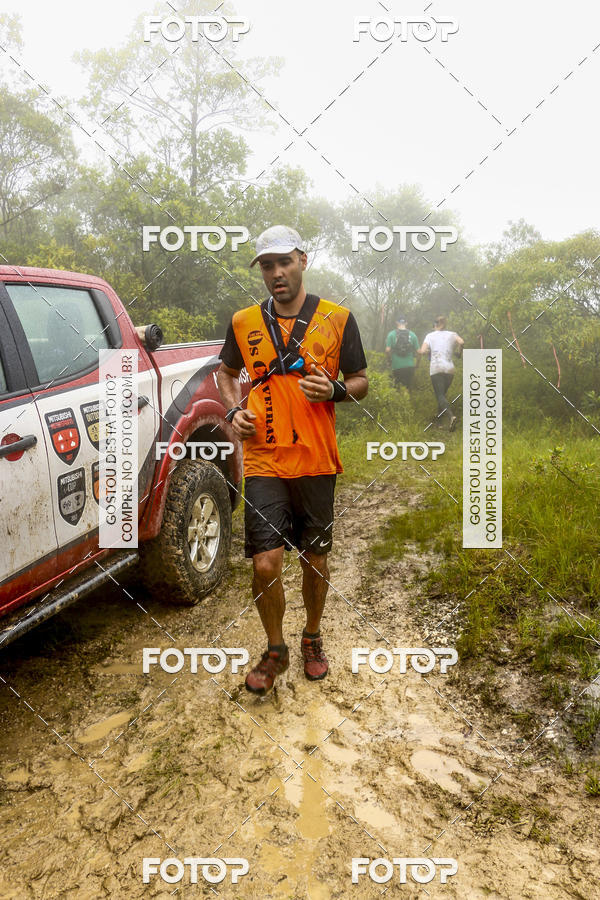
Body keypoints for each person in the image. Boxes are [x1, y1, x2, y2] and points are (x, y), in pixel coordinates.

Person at [216, 225, 368, 696]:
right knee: (265, 564)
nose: (276, 273)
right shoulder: (243, 321)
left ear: (303, 260)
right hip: (264, 459)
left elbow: (361, 380)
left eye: (284, 262)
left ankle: (312, 636)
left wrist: (336, 389)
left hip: (316, 460)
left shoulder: (338, 318)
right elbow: (226, 373)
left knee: (315, 561)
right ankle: (276, 648)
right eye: (267, 265)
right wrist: (233, 411)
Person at [418, 315, 464, 431]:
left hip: (437, 368)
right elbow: (461, 342)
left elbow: (422, 351)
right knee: (442, 395)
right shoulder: (452, 334)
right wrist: (459, 353)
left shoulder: (430, 336)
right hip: (450, 369)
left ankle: (451, 416)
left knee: (439, 395)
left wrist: (427, 351)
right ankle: (439, 422)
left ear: (435, 325)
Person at [385, 317, 418, 389]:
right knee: (407, 388)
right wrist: (417, 364)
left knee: (397, 389)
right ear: (406, 323)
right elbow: (419, 352)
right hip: (410, 366)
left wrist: (389, 361)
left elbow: (387, 350)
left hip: (397, 366)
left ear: (396, 323)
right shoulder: (413, 335)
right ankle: (407, 395)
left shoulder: (391, 334)